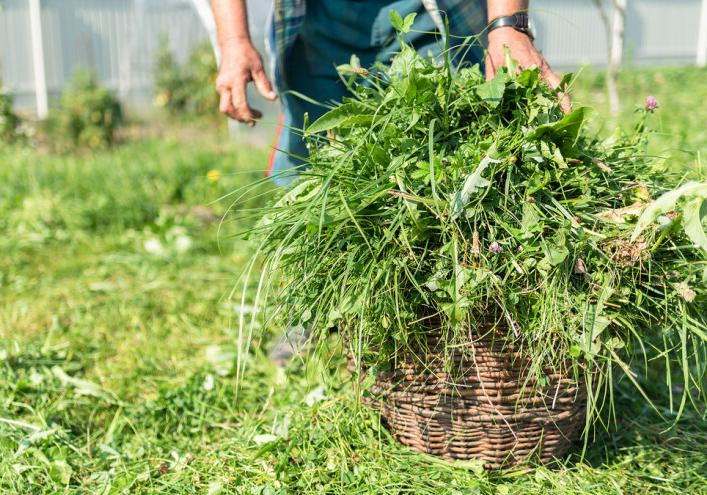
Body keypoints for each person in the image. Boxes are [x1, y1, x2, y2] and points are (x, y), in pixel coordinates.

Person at [210, 0, 562, 363]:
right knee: (319, 172)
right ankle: (317, 303)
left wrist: (508, 25)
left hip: (430, 11)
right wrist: (234, 39)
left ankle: (446, 314)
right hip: (319, 19)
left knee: (450, 156)